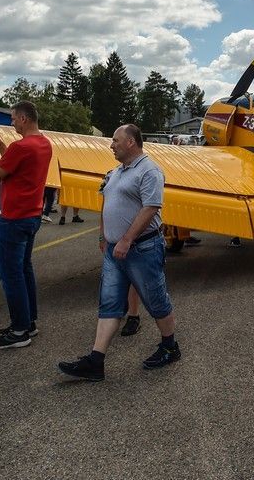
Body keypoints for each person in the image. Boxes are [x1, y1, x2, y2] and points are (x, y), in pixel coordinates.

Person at [58, 124, 180, 381]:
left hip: (142, 247)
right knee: (110, 302)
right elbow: (106, 203)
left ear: (131, 143)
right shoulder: (115, 173)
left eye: (115, 140)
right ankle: (96, 361)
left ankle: (170, 346)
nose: (111, 145)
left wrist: (126, 240)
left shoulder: (150, 171)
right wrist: (105, 236)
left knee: (155, 299)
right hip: (115, 249)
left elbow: (151, 208)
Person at [0, 102, 53, 350]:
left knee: (10, 274)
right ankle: (28, 321)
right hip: (32, 215)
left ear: (23, 119)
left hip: (14, 218)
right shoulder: (43, 143)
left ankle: (20, 330)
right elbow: (12, 162)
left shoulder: (22, 147)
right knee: (24, 270)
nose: (11, 123)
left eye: (13, 119)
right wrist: (1, 143)